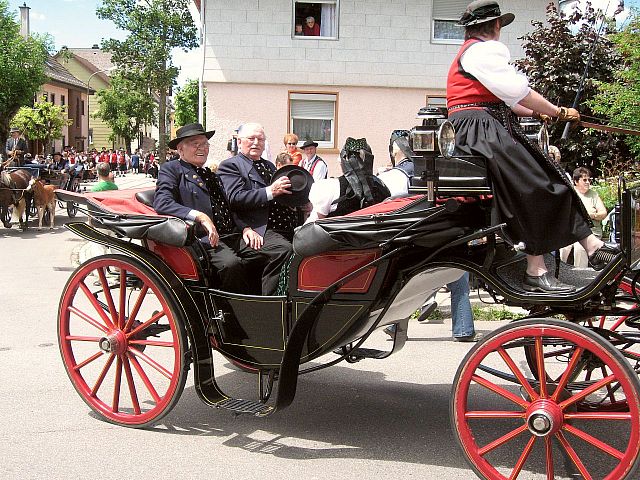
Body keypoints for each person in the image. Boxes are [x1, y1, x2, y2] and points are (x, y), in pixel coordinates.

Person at [446, 0, 619, 293]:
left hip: (485, 124)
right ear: (496, 25)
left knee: (550, 178)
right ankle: (538, 268)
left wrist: (539, 111)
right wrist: (557, 111)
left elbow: (511, 100)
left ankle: (590, 245)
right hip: (478, 128)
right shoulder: (482, 51)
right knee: (533, 185)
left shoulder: (474, 53)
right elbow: (519, 92)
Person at [153, 123, 253, 293]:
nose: (202, 148)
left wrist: (246, 228)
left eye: (205, 144)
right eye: (195, 144)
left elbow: (228, 206)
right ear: (180, 149)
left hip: (231, 234)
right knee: (231, 264)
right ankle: (232, 314)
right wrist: (199, 216)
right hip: (202, 240)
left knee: (269, 252)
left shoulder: (211, 175)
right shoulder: (172, 170)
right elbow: (162, 202)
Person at [217, 123, 296, 296]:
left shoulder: (269, 166)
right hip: (257, 228)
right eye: (251, 139)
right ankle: (270, 304)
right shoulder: (231, 166)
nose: (256, 143)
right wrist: (270, 191)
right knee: (283, 250)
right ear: (239, 142)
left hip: (282, 226)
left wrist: (298, 203)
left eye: (260, 139)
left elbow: (281, 196)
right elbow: (235, 198)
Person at [306, 137, 390, 222]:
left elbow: (314, 223)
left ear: (342, 162)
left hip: (337, 234)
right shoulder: (381, 186)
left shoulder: (328, 188)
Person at [560, 167, 608, 267]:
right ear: (576, 181)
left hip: (591, 232)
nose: (587, 182)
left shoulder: (593, 194)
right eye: (584, 180)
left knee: (580, 248)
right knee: (563, 246)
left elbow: (603, 213)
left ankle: (580, 273)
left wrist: (593, 215)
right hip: (573, 231)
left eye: (589, 180)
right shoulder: (571, 194)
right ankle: (560, 270)